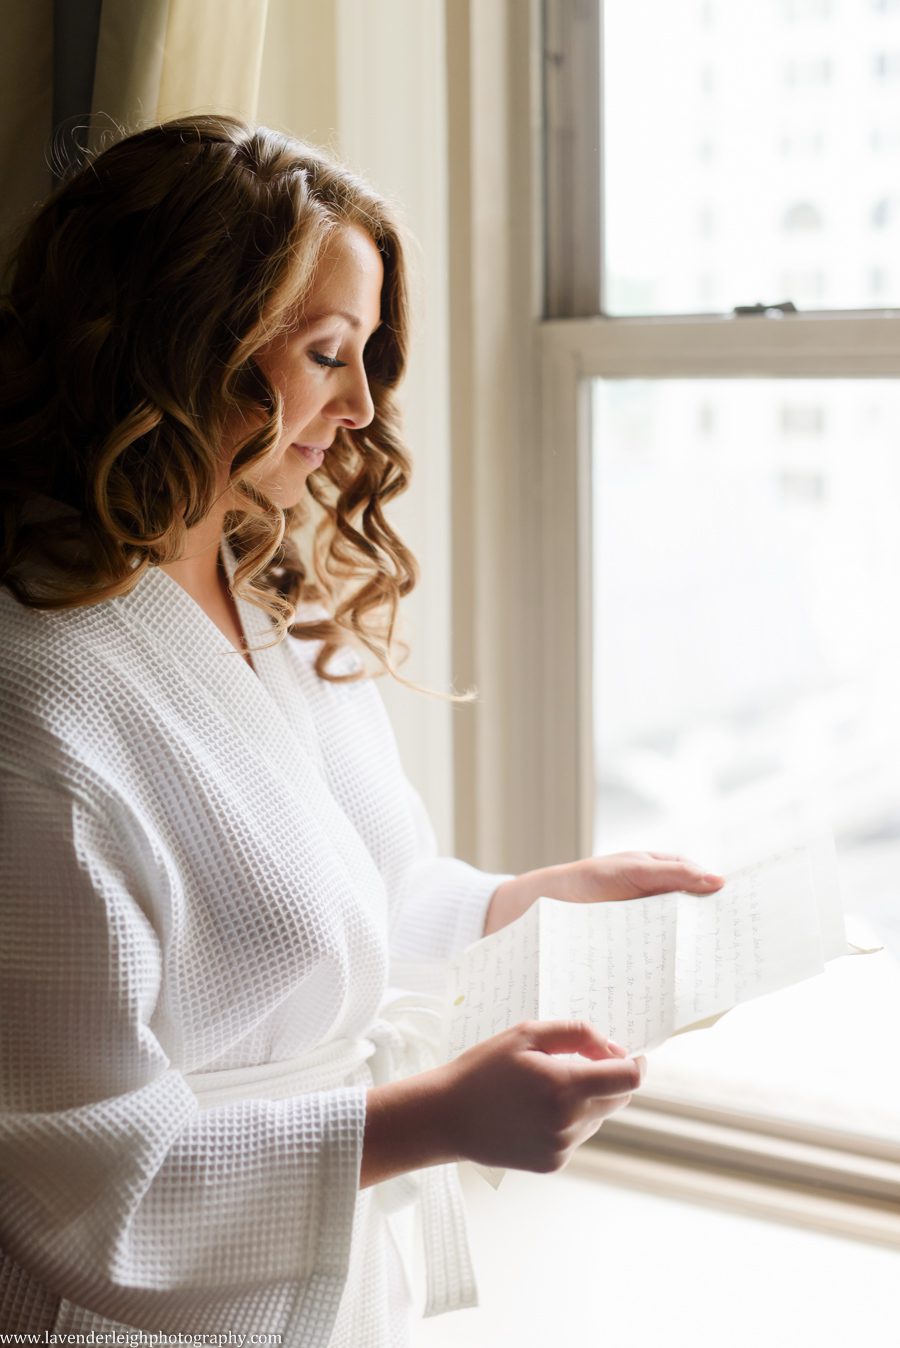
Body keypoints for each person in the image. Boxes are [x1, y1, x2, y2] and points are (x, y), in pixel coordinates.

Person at [0, 116, 724, 1346]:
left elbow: (344, 916)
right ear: (184, 345)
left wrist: (530, 902)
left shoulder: (267, 595)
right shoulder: (39, 713)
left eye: (368, 351)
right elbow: (77, 1189)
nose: (360, 406)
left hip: (329, 1295)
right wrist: (426, 1119)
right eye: (328, 351)